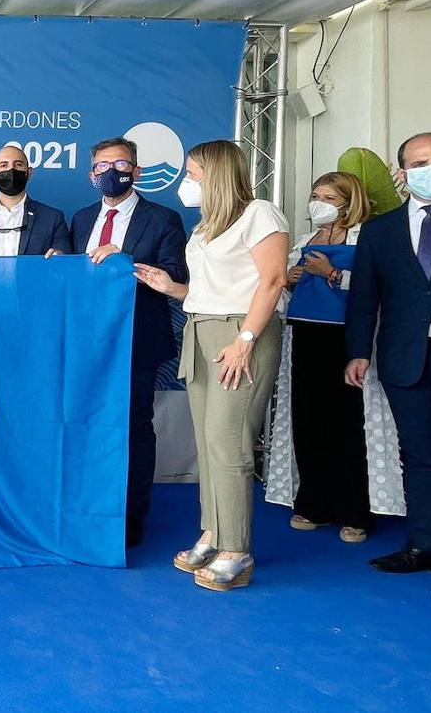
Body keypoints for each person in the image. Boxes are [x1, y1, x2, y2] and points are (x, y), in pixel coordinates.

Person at [135, 140, 288, 592]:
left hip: (241, 333)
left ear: (216, 172)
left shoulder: (260, 213)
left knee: (230, 443)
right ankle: (213, 534)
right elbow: (210, 288)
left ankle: (237, 549)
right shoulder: (204, 227)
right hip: (200, 329)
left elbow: (273, 279)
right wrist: (171, 288)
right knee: (208, 441)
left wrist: (245, 341)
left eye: (194, 171)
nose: (188, 180)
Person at [264, 172, 404, 545]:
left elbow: (381, 290)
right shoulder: (306, 239)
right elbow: (282, 291)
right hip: (305, 335)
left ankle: (355, 510)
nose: (319, 202)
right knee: (307, 420)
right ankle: (313, 502)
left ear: (348, 201)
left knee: (347, 424)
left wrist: (332, 273)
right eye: (316, 195)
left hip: (350, 338)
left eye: (328, 196)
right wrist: (292, 279)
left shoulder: (370, 238)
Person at [345, 133, 431, 601]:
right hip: (405, 358)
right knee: (424, 457)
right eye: (421, 162)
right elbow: (364, 297)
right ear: (402, 172)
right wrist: (357, 351)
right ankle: (425, 546)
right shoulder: (381, 229)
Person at [69, 137, 188, 548]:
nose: (110, 172)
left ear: (136, 171)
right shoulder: (81, 219)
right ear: (91, 175)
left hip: (137, 339)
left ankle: (131, 516)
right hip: (88, 344)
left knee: (134, 427)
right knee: (85, 423)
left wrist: (125, 259)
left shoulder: (163, 218)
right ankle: (87, 504)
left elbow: (175, 272)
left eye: (120, 164)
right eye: (101, 166)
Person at [0, 145, 70, 258]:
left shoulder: (53, 218)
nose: (11, 170)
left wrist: (59, 256)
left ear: (29, 173)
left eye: (18, 164)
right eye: (4, 165)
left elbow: (64, 263)